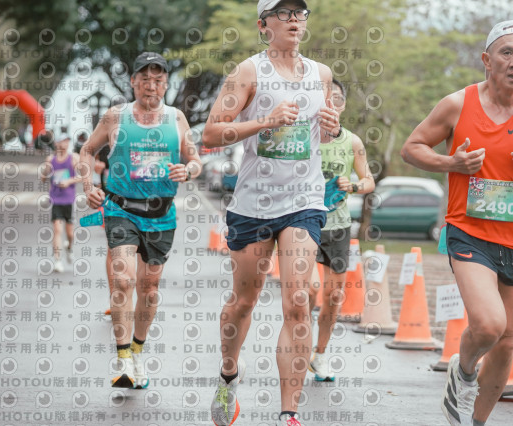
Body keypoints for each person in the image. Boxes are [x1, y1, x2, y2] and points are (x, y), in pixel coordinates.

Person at [401, 20, 513, 426]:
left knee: (508, 341)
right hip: (468, 231)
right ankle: (463, 371)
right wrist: (451, 162)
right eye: (506, 52)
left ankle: (474, 421)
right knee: (490, 325)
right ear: (486, 59)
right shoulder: (457, 104)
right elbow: (412, 148)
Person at [202, 1, 341, 424]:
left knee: (298, 300)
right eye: (284, 13)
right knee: (243, 301)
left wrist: (332, 127)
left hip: (304, 202)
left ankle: (288, 413)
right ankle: (228, 375)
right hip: (253, 204)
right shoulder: (248, 72)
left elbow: (323, 132)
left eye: (300, 13)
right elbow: (212, 133)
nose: (294, 19)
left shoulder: (321, 74)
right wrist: (265, 121)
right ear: (263, 25)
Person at [80, 51, 202, 389]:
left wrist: (188, 170)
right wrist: (89, 186)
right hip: (121, 209)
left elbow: (195, 160)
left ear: (166, 84)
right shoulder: (115, 117)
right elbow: (87, 150)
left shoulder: (177, 118)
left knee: (149, 289)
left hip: (162, 215)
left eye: (158, 80)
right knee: (123, 280)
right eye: (145, 79)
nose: (151, 85)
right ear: (133, 81)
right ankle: (122, 360)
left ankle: (137, 351)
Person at [307, 79, 375, 381]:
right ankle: (299, 342)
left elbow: (369, 180)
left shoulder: (353, 142)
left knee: (333, 297)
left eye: (336, 98)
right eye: (325, 98)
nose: (330, 103)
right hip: (305, 223)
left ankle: (319, 355)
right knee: (309, 290)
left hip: (338, 226)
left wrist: (354, 185)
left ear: (343, 105)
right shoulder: (304, 138)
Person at [41, 133, 80, 273]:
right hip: (56, 199)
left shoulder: (74, 158)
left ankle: (69, 247)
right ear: (56, 143)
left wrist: (69, 181)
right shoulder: (50, 159)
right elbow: (43, 179)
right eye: (61, 141)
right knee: (57, 230)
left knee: (70, 234)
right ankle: (57, 260)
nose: (63, 144)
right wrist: (46, 171)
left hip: (69, 199)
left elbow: (82, 176)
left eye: (66, 141)